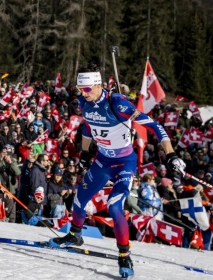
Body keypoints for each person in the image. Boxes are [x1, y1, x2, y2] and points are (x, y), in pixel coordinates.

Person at [48, 68, 186, 278]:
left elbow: (155, 126)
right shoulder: (85, 103)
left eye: (86, 89)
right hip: (102, 161)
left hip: (123, 163)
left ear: (98, 85)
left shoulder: (118, 104)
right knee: (79, 199)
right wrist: (85, 152)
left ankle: (124, 255)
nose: (83, 93)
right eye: (79, 89)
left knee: (114, 206)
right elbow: (87, 126)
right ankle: (75, 235)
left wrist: (171, 154)